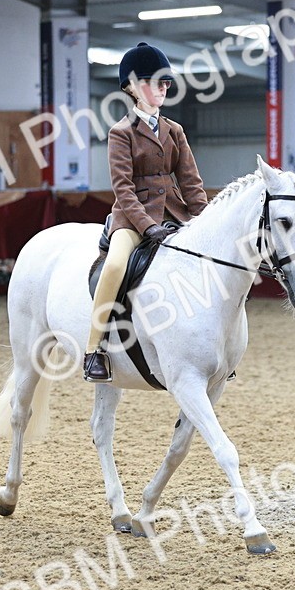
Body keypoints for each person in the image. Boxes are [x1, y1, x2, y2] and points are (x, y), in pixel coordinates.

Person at [81, 42, 208, 383]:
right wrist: (147, 226)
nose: (162, 89)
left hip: (173, 213)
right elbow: (122, 188)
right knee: (117, 266)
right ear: (132, 88)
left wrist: (205, 221)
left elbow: (191, 183)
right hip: (132, 217)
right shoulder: (120, 134)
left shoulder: (175, 131)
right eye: (155, 82)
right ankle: (95, 350)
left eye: (166, 83)